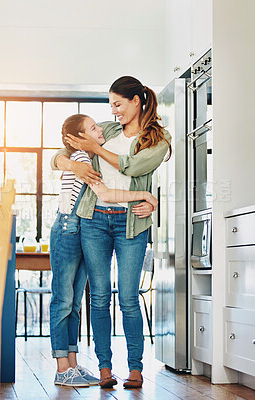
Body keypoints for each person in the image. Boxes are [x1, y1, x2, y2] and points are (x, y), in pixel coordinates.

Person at [50, 76, 171, 389]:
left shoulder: (159, 139)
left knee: (129, 298)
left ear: (137, 101)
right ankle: (104, 369)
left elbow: (130, 166)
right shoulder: (110, 129)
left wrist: (94, 149)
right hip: (94, 220)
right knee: (99, 297)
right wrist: (72, 163)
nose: (113, 111)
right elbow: (59, 153)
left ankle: (135, 369)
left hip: (131, 222)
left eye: (118, 104)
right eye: (111, 105)